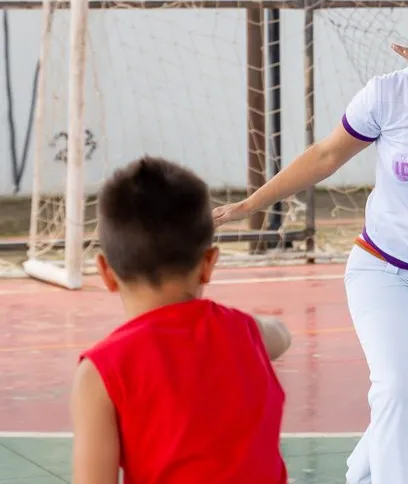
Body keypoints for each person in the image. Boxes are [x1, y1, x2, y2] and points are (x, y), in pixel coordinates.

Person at [212, 0, 408, 483]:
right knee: (395, 391)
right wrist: (249, 205)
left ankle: (357, 477)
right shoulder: (387, 94)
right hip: (385, 271)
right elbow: (325, 156)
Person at [70, 156, 293, 484]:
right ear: (209, 263)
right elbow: (281, 335)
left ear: (106, 272)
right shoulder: (249, 333)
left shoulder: (100, 373)